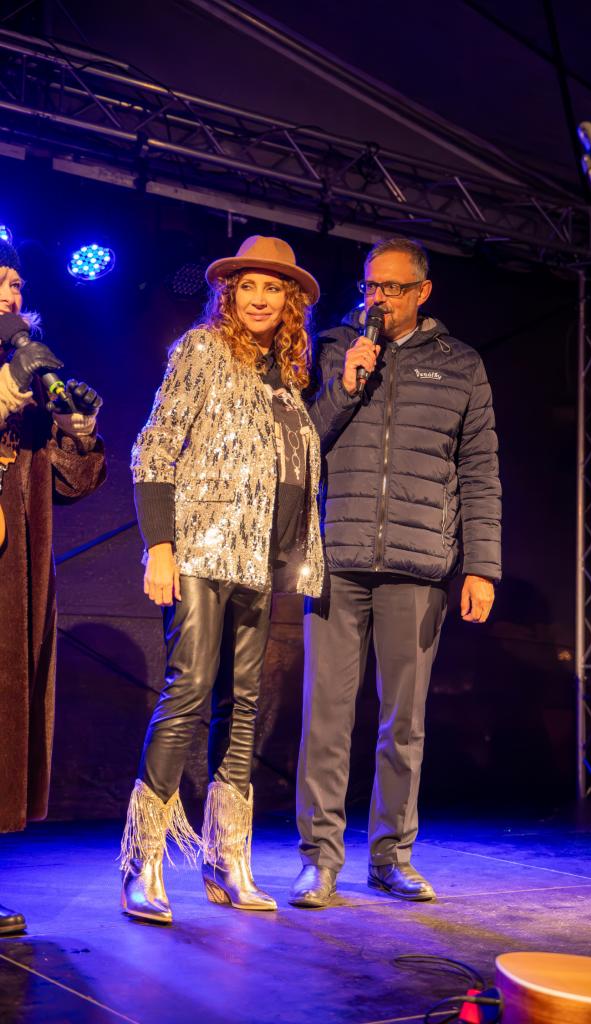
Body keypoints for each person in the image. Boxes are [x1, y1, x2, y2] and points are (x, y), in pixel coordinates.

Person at [290, 237, 502, 908]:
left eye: (393, 287)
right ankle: (319, 860)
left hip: (418, 565)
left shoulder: (460, 364)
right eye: (371, 286)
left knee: (402, 723)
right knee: (325, 718)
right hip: (338, 558)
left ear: (422, 292)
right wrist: (344, 386)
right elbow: (300, 444)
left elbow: (480, 471)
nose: (378, 298)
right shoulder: (332, 349)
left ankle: (391, 858)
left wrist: (481, 567)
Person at [122, 235, 324, 924]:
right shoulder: (201, 349)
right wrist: (159, 546)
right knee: (188, 690)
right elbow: (154, 446)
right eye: (248, 286)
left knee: (243, 704)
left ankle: (225, 856)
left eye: (273, 288)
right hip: (201, 550)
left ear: (290, 300)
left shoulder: (287, 372)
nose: (260, 298)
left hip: (260, 559)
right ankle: (144, 859)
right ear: (229, 293)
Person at [0, 239, 106, 935]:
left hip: (12, 572)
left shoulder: (33, 377)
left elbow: (72, 484)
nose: (9, 293)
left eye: (15, 282)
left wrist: (79, 431)